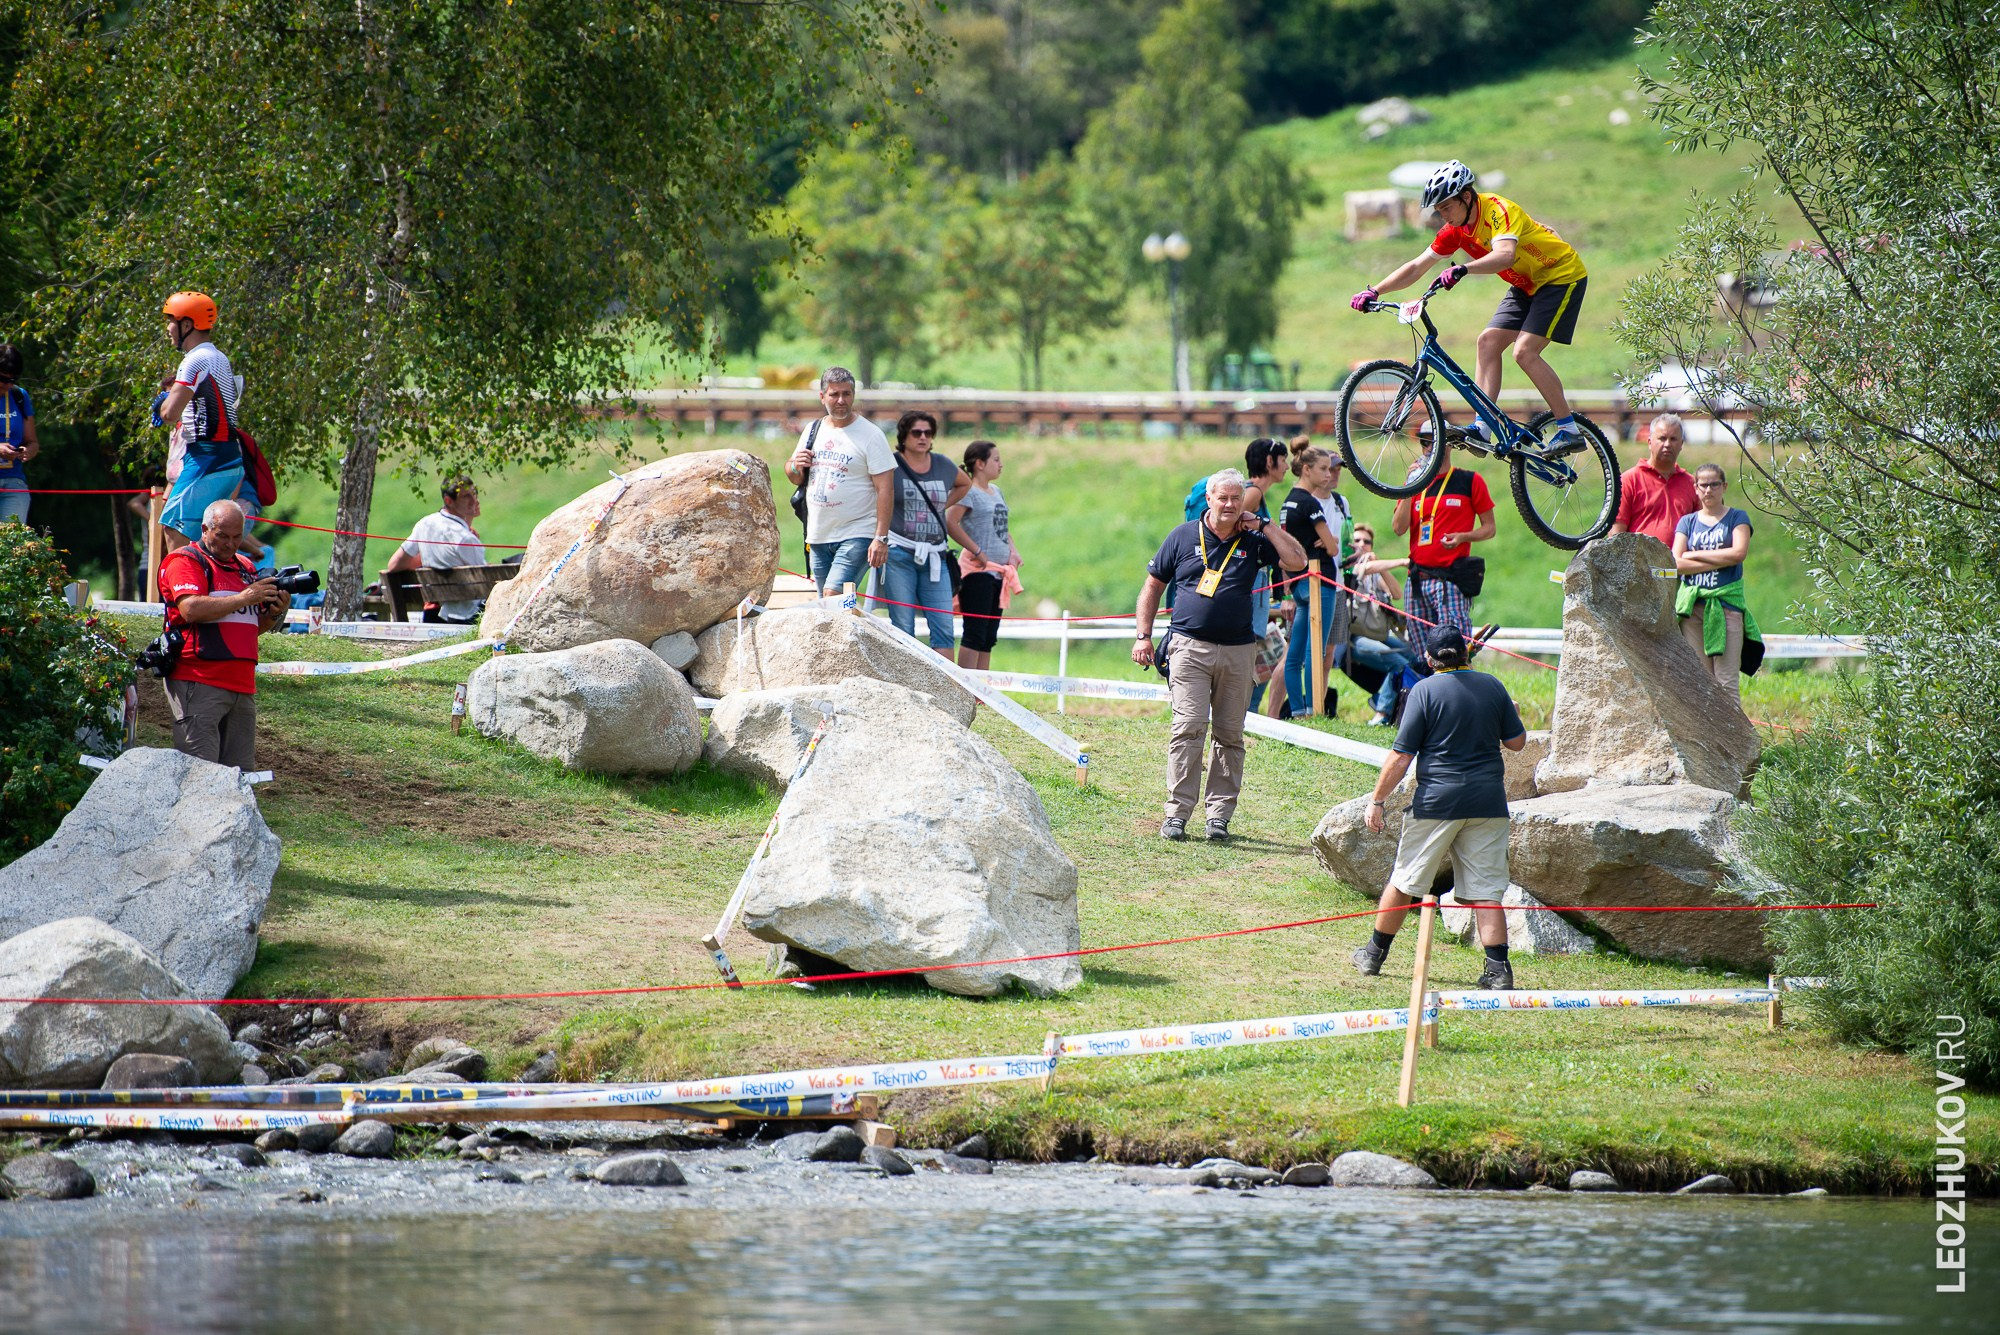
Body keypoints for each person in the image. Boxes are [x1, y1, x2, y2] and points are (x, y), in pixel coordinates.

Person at [1352, 159, 1590, 455]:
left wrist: (1464, 268)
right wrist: (1375, 290)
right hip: (1526, 284)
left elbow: (1505, 255)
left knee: (1524, 352)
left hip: (1559, 276)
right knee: (1487, 343)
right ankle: (1483, 428)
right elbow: (1417, 266)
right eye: (1438, 211)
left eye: (1446, 208)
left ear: (1466, 196)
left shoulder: (1499, 210)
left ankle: (1569, 429)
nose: (1443, 216)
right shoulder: (1455, 229)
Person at [1133, 469, 1307, 843]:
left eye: (1236, 498)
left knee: (1229, 734)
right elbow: (1152, 585)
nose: (1229, 505)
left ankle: (1218, 817)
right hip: (1188, 647)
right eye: (1223, 498)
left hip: (1238, 651)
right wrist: (1143, 637)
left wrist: (1265, 526)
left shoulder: (1253, 539)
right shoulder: (1182, 536)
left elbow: (1297, 562)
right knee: (1189, 726)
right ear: (1209, 498)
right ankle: (1176, 814)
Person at [1352, 627, 1528, 990]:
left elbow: (1401, 756)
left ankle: (1372, 955)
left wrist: (1377, 800)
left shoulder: (1424, 691)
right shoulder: (1493, 686)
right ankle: (1498, 972)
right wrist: (1513, 713)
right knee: (1486, 890)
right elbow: (1517, 743)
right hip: (1488, 802)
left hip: (1437, 802)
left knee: (1405, 879)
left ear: (1430, 659)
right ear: (1466, 653)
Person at [157, 498, 288, 769]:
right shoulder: (184, 560)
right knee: (200, 774)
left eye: (237, 537)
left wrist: (274, 613)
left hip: (242, 685)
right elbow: (191, 609)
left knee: (240, 777)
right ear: (204, 529)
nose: (230, 544)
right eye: (222, 536)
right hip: (199, 680)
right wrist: (244, 597)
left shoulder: (245, 566)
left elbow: (249, 627)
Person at [785, 367, 894, 597]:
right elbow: (795, 476)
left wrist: (881, 538)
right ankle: (850, 621)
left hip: (858, 532)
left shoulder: (871, 435)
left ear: (853, 395)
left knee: (832, 595)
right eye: (834, 394)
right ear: (822, 396)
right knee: (830, 606)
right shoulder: (813, 430)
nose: (841, 400)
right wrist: (795, 465)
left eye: (847, 394)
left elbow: (885, 488)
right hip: (818, 533)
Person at [155, 292, 249, 552]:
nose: (168, 328)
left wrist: (161, 402)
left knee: (174, 527)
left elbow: (169, 414)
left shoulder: (195, 359)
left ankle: (182, 581)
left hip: (208, 458)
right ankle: (207, 578)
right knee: (205, 540)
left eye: (171, 321)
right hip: (227, 458)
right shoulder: (218, 356)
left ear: (187, 324)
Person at [879, 410, 971, 656]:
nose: (923, 437)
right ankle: (907, 679)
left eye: (928, 433)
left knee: (944, 627)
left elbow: (965, 483)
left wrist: (943, 505)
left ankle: (944, 680)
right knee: (903, 627)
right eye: (917, 432)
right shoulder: (891, 464)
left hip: (935, 555)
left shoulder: (942, 464)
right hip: (899, 552)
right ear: (904, 436)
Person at [1673, 463, 1763, 701]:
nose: (1708, 490)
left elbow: (1738, 553)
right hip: (1694, 609)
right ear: (1695, 488)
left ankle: (1733, 727)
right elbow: (1676, 563)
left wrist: (1693, 555)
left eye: (1714, 484)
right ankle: (1704, 726)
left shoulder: (1737, 517)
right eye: (1703, 485)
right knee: (1701, 681)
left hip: (1727, 607)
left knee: (1726, 682)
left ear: (1724, 486)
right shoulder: (1687, 522)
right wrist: (1720, 560)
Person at [1392, 462, 1496, 659]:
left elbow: (1490, 528)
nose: (1428, 448)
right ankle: (1427, 679)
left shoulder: (1469, 480)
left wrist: (1462, 537)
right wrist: (1409, 486)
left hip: (1450, 580)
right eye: (1424, 445)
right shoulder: (1415, 483)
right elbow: (1398, 528)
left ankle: (1459, 678)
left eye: (1433, 444)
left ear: (1448, 446)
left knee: (1454, 649)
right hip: (1417, 580)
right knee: (1421, 653)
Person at [1278, 441, 1345, 718]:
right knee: (1314, 650)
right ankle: (1314, 709)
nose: (1328, 474)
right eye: (1323, 469)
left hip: (1298, 582)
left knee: (1295, 651)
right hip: (1320, 582)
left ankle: (1298, 710)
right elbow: (1333, 549)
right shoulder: (1309, 502)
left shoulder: (1288, 502)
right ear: (1306, 469)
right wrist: (1331, 541)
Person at [950, 440, 1021, 671]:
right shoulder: (968, 492)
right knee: (975, 634)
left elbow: (1001, 526)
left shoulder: (996, 491)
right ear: (980, 464)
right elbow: (950, 521)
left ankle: (983, 687)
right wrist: (976, 550)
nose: (1001, 464)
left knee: (989, 637)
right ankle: (967, 686)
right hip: (977, 573)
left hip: (999, 573)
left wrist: (1013, 551)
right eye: (996, 460)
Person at [386, 475, 488, 623]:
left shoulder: (424, 524)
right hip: (466, 616)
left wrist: (431, 555)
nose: (474, 501)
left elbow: (394, 565)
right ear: (448, 501)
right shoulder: (465, 538)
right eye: (466, 496)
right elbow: (485, 583)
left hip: (432, 613)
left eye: (474, 494)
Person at [1348, 524, 1417, 726]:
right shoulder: (1346, 566)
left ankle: (1389, 702)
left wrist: (1382, 567)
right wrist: (1402, 562)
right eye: (1357, 540)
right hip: (1354, 637)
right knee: (1399, 663)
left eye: (1367, 542)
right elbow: (1363, 570)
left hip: (1379, 634)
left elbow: (1396, 593)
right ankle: (1381, 713)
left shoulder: (1376, 572)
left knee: (1413, 657)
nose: (1362, 544)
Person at [1611, 413, 1699, 544]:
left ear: (1681, 444)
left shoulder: (1692, 484)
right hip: (1639, 556)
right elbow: (1616, 534)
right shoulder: (1629, 480)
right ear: (1649, 442)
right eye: (1662, 438)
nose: (1667, 444)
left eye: (1673, 439)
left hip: (1681, 556)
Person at [0, 344, 38, 525]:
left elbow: (32, 442)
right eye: (3, 378)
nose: (8, 384)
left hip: (13, 482)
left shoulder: (19, 396)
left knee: (12, 539)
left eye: (13, 379)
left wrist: (28, 451)